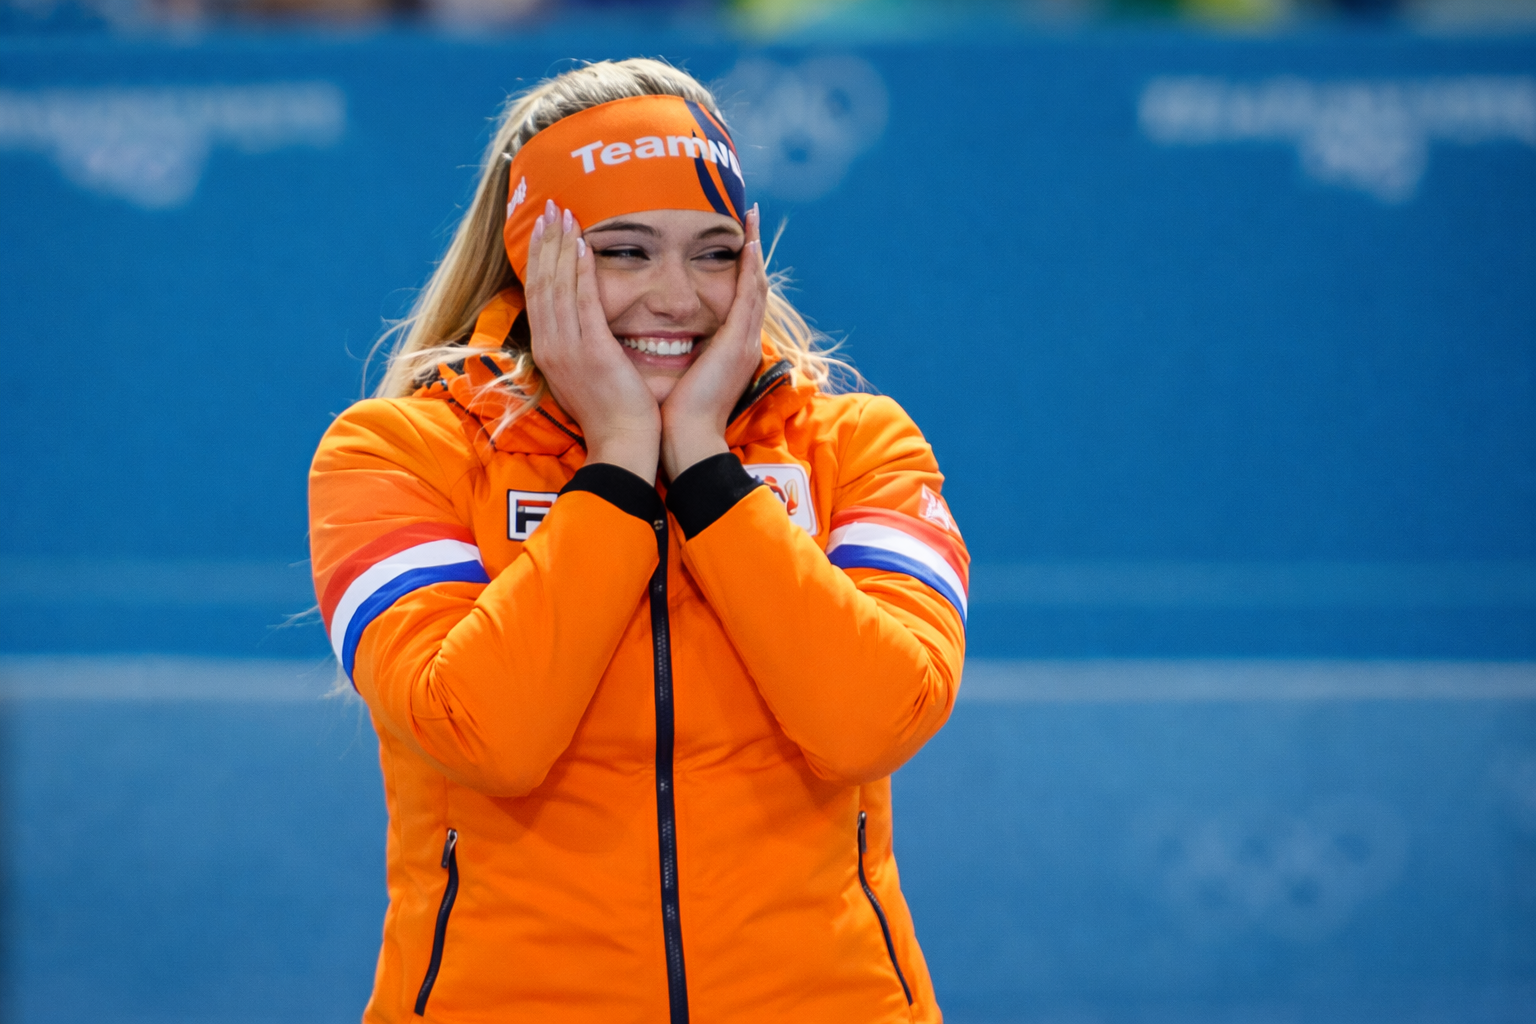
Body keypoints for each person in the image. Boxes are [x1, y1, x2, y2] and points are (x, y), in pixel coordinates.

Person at [308, 58, 969, 1024]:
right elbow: (487, 736)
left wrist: (703, 466)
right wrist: (618, 464)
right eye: (623, 252)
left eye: (712, 252)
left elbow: (871, 724)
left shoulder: (858, 445)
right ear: (534, 257)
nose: (678, 298)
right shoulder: (399, 451)